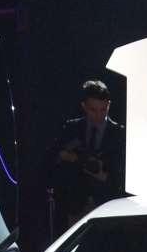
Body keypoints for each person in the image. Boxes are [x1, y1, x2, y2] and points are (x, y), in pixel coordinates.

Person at [52, 80, 125, 228]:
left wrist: (76, 159)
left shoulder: (120, 133)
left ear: (109, 105)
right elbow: (55, 162)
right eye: (93, 110)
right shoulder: (71, 128)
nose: (98, 115)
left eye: (103, 109)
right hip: (74, 207)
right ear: (84, 106)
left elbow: (120, 176)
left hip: (107, 207)